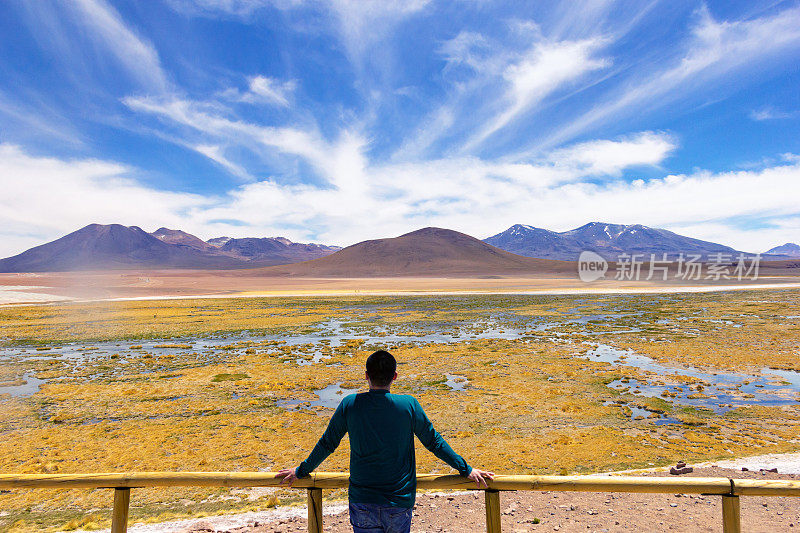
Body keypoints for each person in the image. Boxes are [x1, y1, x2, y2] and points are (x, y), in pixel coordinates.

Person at [277, 349, 495, 533]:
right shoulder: (408, 405)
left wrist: (301, 470)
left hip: (362, 500)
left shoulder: (350, 404)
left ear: (366, 376)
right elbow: (433, 442)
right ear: (395, 376)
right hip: (398, 501)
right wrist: (465, 469)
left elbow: (328, 443)